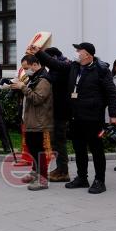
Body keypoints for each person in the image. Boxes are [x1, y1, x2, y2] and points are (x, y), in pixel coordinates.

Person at [31, 42, 116, 194]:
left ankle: (100, 180)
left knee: (96, 149)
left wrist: (115, 114)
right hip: (76, 116)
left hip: (93, 117)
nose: (76, 52)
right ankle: (82, 178)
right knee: (79, 149)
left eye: (79, 50)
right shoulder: (73, 66)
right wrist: (39, 53)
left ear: (88, 55)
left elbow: (111, 93)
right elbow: (55, 64)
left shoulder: (101, 70)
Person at [11, 55, 54, 190]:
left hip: (39, 121)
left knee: (38, 150)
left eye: (26, 68)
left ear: (35, 64)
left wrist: (23, 87)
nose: (25, 71)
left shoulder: (44, 80)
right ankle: (35, 172)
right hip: (31, 119)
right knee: (32, 147)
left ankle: (43, 179)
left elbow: (37, 98)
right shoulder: (34, 78)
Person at [43, 47, 73, 182]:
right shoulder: (58, 67)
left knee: (59, 141)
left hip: (61, 111)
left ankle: (63, 171)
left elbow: (51, 76)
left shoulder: (64, 66)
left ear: (53, 57)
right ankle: (60, 168)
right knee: (55, 141)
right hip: (55, 110)